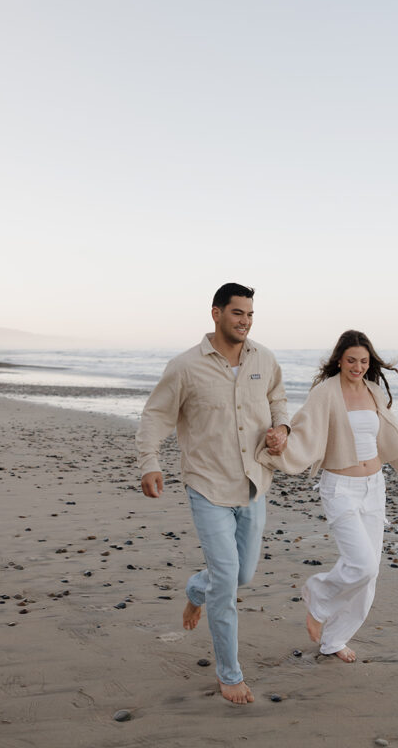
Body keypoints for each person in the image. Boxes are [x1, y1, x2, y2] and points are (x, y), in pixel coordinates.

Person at [257, 329, 398, 663]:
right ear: (340, 359)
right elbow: (303, 429)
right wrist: (281, 443)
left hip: (373, 488)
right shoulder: (326, 393)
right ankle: (317, 599)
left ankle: (334, 640)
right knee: (361, 565)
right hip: (340, 489)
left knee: (370, 574)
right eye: (352, 360)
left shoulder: (374, 392)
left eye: (364, 361)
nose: (358, 366)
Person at [136, 283, 289, 704]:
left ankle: (194, 590)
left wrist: (283, 429)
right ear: (216, 313)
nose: (245, 321)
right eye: (238, 313)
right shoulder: (186, 366)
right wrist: (150, 462)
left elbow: (279, 398)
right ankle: (230, 674)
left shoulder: (264, 359)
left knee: (242, 575)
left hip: (255, 483)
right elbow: (156, 415)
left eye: (251, 314)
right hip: (207, 486)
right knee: (226, 581)